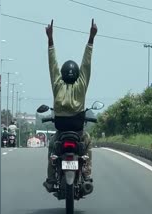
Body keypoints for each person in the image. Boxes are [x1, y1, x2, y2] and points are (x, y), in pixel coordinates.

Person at [43, 19, 97, 192]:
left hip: (61, 132)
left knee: (52, 148)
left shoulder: (57, 85)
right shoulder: (81, 85)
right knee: (87, 143)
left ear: (63, 74)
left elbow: (52, 65)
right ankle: (87, 174)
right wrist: (91, 38)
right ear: (77, 75)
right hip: (78, 132)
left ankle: (51, 179)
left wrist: (50, 40)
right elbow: (86, 64)